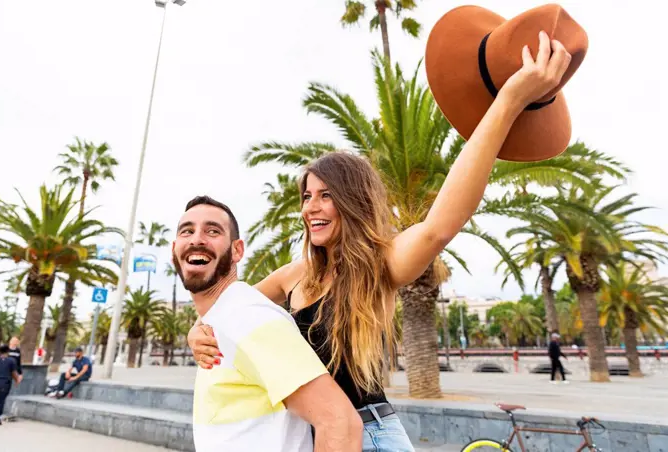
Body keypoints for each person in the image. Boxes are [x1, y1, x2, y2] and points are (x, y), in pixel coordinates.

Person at [188, 31, 572, 451]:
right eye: (306, 197)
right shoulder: (293, 276)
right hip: (315, 435)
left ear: (353, 201)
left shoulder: (380, 263)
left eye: (326, 195)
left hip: (368, 434)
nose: (310, 208)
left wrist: (509, 101)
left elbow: (439, 225)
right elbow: (229, 313)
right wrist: (196, 332)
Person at [173, 196, 362, 452]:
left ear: (237, 250)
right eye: (187, 231)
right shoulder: (224, 319)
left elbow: (341, 424)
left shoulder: (247, 317)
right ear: (175, 248)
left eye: (212, 231)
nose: (196, 239)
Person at [0, 344, 20, 425]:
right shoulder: (11, 361)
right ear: (8, 352)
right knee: (0, 401)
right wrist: (17, 380)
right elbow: (14, 373)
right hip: (4, 384)